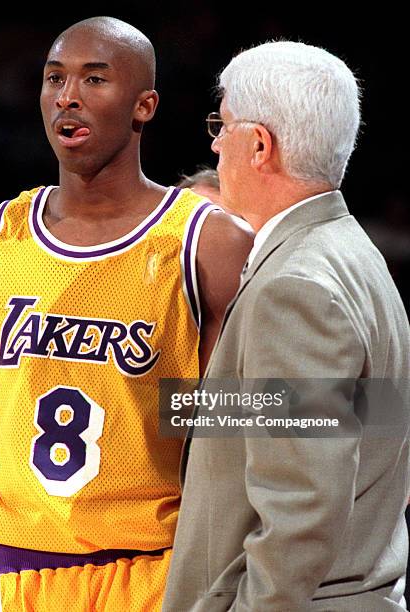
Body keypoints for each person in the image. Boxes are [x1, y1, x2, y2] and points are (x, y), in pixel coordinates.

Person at [0, 17, 252, 612]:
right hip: (15, 576)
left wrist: (364, 410)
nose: (67, 96)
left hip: (155, 575)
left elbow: (235, 439)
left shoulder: (208, 244)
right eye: (54, 78)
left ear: (144, 105)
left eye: (94, 79)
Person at [163, 41, 410, 611]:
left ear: (258, 145)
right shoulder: (350, 252)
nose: (215, 143)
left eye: (220, 126)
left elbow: (302, 509)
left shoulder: (294, 286)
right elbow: (339, 430)